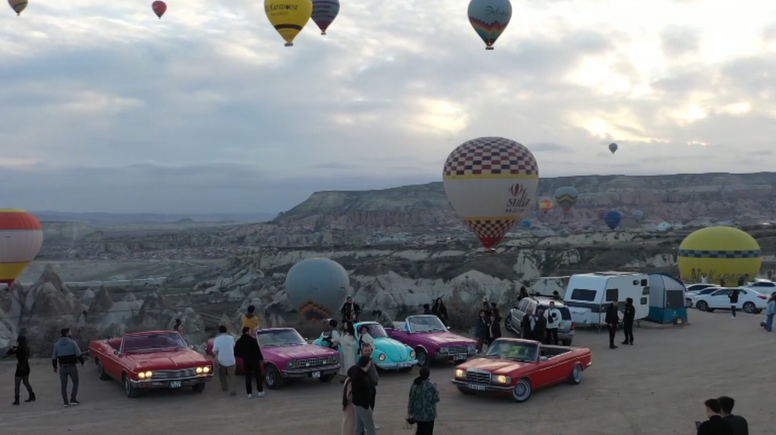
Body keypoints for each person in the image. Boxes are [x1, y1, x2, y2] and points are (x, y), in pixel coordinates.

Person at [52, 328, 85, 407]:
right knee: (75, 382)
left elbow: (54, 357)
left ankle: (65, 402)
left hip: (62, 367)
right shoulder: (72, 343)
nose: (71, 333)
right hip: (72, 366)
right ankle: (73, 399)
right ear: (67, 334)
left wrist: (55, 366)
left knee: (63, 385)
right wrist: (82, 363)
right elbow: (78, 354)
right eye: (70, 332)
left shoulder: (56, 345)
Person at [407, 366, 440, 435]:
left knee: (420, 431)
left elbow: (411, 398)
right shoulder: (431, 386)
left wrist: (410, 411)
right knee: (428, 432)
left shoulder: (415, 385)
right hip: (429, 415)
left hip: (418, 414)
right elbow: (436, 399)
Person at [234, 326, 264, 398]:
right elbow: (257, 350)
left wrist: (243, 356)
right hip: (255, 361)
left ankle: (249, 393)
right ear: (247, 331)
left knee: (248, 377)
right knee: (258, 376)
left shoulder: (239, 341)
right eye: (250, 331)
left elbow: (236, 352)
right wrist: (261, 358)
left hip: (246, 361)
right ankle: (260, 391)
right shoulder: (253, 340)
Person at [351, 356, 377, 435]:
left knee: (359, 428)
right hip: (363, 405)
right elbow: (360, 393)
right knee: (370, 427)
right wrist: (366, 405)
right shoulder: (360, 377)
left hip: (359, 405)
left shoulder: (358, 374)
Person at [7, 336, 34, 405]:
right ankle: (32, 395)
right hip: (26, 367)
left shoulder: (18, 349)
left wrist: (13, 348)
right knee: (26, 382)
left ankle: (17, 399)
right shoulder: (26, 348)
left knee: (17, 384)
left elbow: (9, 353)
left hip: (20, 367)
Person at [211, 325, 237, 396]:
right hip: (231, 359)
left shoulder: (217, 339)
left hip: (221, 360)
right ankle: (233, 390)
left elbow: (214, 350)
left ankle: (224, 388)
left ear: (219, 331)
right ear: (226, 330)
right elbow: (233, 346)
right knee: (232, 375)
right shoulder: (231, 338)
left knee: (222, 375)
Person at [361, 342, 380, 428]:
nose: (368, 352)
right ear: (362, 351)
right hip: (366, 387)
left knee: (371, 406)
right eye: (366, 350)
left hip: (372, 386)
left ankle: (370, 423)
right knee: (367, 407)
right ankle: (366, 425)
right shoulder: (362, 361)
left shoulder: (370, 359)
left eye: (369, 350)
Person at [341, 366, 357, 435]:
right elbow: (350, 396)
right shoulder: (351, 382)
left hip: (347, 405)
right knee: (351, 424)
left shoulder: (347, 380)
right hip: (351, 406)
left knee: (347, 423)